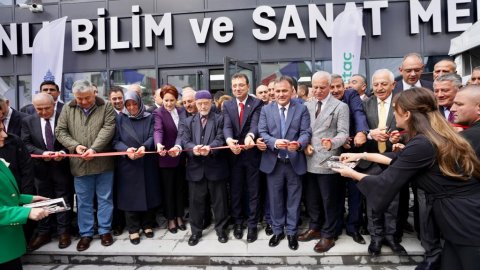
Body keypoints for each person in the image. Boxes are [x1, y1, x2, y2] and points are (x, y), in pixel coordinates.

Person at [333, 87, 480, 270]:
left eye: (396, 110)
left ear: (408, 114)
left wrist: (350, 173)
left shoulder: (421, 142)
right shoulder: (429, 135)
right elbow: (399, 160)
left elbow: (385, 183)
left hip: (463, 219)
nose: (394, 115)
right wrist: (361, 155)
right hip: (460, 214)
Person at [56, 79, 116, 252]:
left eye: (87, 98)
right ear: (74, 96)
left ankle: (105, 230)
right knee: (83, 202)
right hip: (79, 164)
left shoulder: (106, 107)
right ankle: (86, 233)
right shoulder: (68, 108)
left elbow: (108, 128)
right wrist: (75, 146)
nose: (83, 102)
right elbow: (60, 131)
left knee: (105, 199)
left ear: (94, 93)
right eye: (79, 98)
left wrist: (94, 149)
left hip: (103, 163)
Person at [258, 75, 312, 250]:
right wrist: (273, 142)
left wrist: (299, 144)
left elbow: (306, 132)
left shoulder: (301, 109)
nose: (280, 94)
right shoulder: (266, 110)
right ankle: (277, 231)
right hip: (274, 162)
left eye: (284, 90)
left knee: (294, 200)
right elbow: (262, 132)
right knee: (275, 200)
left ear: (292, 91)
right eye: (277, 91)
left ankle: (291, 232)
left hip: (293, 162)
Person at [298, 71, 349, 252]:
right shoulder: (306, 105)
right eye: (316, 87)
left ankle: (329, 234)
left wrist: (333, 143)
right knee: (312, 198)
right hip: (309, 157)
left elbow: (343, 133)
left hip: (329, 158)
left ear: (329, 86)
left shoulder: (340, 107)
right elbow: (302, 130)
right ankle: (315, 227)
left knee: (330, 200)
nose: (318, 91)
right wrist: (304, 145)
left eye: (322, 87)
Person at [361, 69, 406, 255]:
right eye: (376, 84)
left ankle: (391, 237)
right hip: (370, 160)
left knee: (393, 202)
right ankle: (376, 238)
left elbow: (410, 129)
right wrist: (370, 133)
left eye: (384, 84)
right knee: (373, 202)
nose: (379, 88)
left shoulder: (402, 104)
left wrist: (400, 139)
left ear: (393, 85)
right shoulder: (365, 104)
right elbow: (359, 129)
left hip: (394, 161)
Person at [21, 93, 73, 251]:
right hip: (40, 168)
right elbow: (25, 143)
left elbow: (72, 139)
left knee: (63, 197)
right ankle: (44, 232)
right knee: (44, 199)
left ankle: (64, 232)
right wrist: (42, 153)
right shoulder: (28, 121)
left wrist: (63, 152)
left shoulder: (64, 117)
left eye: (47, 108)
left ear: (54, 104)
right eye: (39, 109)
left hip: (61, 167)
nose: (43, 112)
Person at [179, 90, 230, 246]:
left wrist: (210, 148)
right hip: (195, 169)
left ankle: (221, 230)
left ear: (211, 103)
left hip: (215, 167)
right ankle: (195, 232)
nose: (202, 106)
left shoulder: (220, 119)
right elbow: (184, 140)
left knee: (220, 203)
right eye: (199, 103)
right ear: (195, 103)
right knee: (195, 204)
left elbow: (221, 138)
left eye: (206, 103)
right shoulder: (188, 122)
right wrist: (193, 148)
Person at [112, 90, 161, 245]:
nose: (132, 107)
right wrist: (127, 151)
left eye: (135, 103)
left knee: (148, 193)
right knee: (130, 197)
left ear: (140, 103)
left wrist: (144, 148)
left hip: (146, 161)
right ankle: (133, 229)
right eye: (129, 104)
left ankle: (147, 224)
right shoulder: (120, 119)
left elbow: (153, 136)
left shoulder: (149, 117)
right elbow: (115, 141)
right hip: (128, 163)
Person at [329, 73, 369, 244]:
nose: (336, 90)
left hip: (352, 151)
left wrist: (361, 132)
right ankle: (336, 227)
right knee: (334, 193)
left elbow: (359, 114)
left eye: (339, 86)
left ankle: (353, 227)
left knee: (355, 192)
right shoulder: (322, 100)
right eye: (332, 87)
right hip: (332, 152)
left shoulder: (351, 95)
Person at [223, 73, 263, 243]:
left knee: (254, 191)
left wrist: (251, 136)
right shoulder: (227, 105)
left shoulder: (257, 103)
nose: (237, 88)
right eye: (234, 86)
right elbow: (226, 125)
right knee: (236, 190)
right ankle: (238, 223)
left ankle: (252, 224)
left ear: (248, 87)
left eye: (241, 85)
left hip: (252, 153)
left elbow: (255, 123)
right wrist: (228, 140)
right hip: (234, 154)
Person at [0, 150, 50, 270]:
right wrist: (25, 212)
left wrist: (28, 199)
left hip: (7, 244)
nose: (4, 135)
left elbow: (4, 194)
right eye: (0, 130)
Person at [153, 85, 186, 234]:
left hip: (180, 156)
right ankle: (171, 218)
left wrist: (178, 147)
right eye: (166, 100)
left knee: (180, 189)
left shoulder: (181, 111)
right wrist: (159, 144)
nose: (168, 103)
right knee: (168, 190)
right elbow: (158, 130)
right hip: (166, 157)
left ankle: (179, 216)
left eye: (171, 100)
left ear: (176, 100)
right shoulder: (158, 113)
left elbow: (183, 131)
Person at [450, 85, 480, 156]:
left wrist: (463, 136)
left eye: (459, 104)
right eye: (453, 104)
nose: (452, 109)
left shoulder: (467, 137)